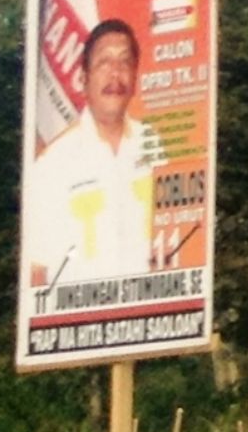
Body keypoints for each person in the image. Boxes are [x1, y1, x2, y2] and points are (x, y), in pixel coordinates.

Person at [27, 18, 160, 286]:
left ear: (135, 77)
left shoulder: (156, 147)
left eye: (124, 63)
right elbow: (36, 270)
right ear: (84, 78)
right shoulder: (52, 164)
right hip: (77, 321)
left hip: (149, 317)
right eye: (104, 62)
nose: (115, 74)